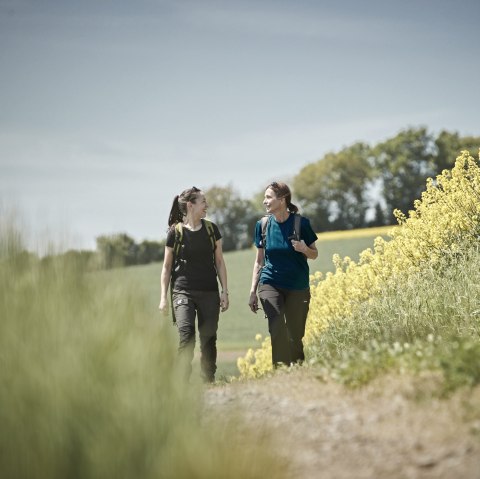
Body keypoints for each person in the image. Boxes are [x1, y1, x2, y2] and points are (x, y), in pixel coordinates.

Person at [159, 186, 229, 383]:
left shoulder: (211, 229)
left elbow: (220, 262)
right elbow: (166, 267)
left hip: (209, 292)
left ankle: (208, 380)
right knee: (186, 335)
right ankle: (181, 383)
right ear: (191, 205)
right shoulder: (175, 232)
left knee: (208, 339)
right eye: (203, 202)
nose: (206, 205)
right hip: (182, 291)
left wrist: (225, 292)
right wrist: (163, 298)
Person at [248, 181, 318, 367]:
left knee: (295, 335)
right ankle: (280, 370)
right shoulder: (262, 225)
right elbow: (259, 261)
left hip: (298, 286)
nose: (265, 201)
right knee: (277, 324)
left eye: (269, 197)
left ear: (282, 199)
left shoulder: (300, 223)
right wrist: (253, 291)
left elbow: (314, 254)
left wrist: (304, 248)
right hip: (270, 282)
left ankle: (297, 370)